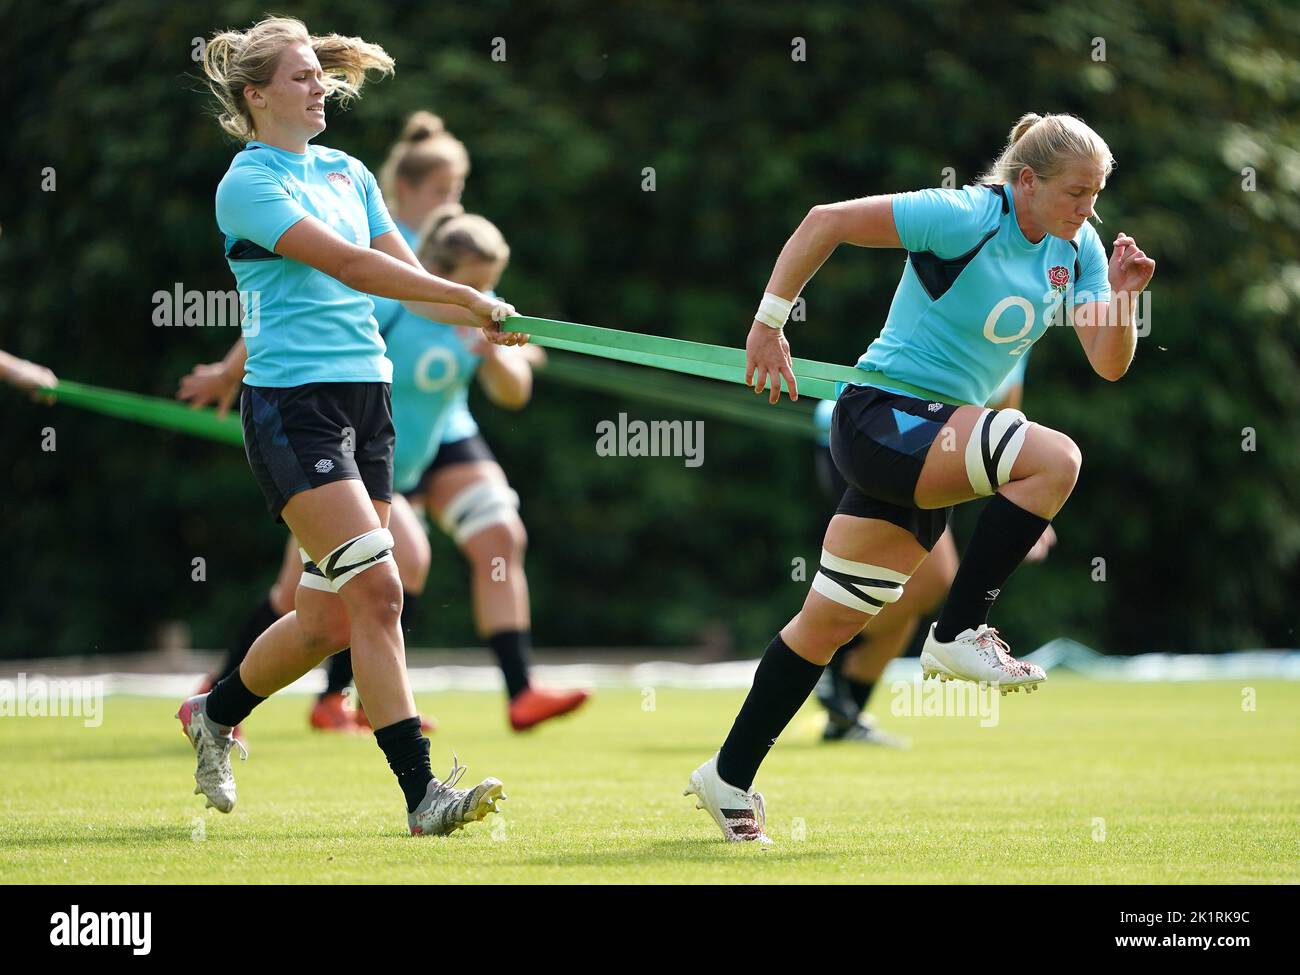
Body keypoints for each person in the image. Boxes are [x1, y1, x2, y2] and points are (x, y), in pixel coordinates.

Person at [686, 112, 1155, 842]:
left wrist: (1122, 296)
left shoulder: (1080, 247)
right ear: (1025, 182)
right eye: (1075, 193)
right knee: (1056, 457)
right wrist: (768, 324)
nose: (1087, 209)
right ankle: (960, 628)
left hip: (930, 437)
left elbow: (1109, 361)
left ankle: (727, 774)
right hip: (881, 419)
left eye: (1096, 194)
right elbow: (826, 220)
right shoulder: (966, 214)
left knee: (829, 623)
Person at [177, 16, 526, 837]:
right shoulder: (248, 182)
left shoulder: (347, 170)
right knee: (379, 588)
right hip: (295, 407)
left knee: (327, 617)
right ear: (257, 96)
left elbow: (402, 278)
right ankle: (422, 795)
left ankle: (213, 711)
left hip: (371, 403)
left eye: (320, 76)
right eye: (301, 78)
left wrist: (473, 321)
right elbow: (350, 265)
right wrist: (468, 296)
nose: (321, 88)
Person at [183, 113, 587, 734]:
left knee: (442, 557)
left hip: (417, 437)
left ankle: (368, 697)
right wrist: (229, 371)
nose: (452, 201)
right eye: (443, 190)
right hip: (329, 426)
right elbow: (308, 299)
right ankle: (226, 695)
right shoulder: (393, 264)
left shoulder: (459, 265)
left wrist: (486, 329)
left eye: (458, 189)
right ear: (411, 192)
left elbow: (515, 381)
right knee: (315, 591)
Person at [812, 355, 1056, 745]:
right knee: (933, 579)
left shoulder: (1028, 321)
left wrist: (1029, 507)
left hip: (930, 442)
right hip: (884, 432)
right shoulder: (982, 299)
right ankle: (821, 656)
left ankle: (845, 713)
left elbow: (1006, 423)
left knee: (908, 591)